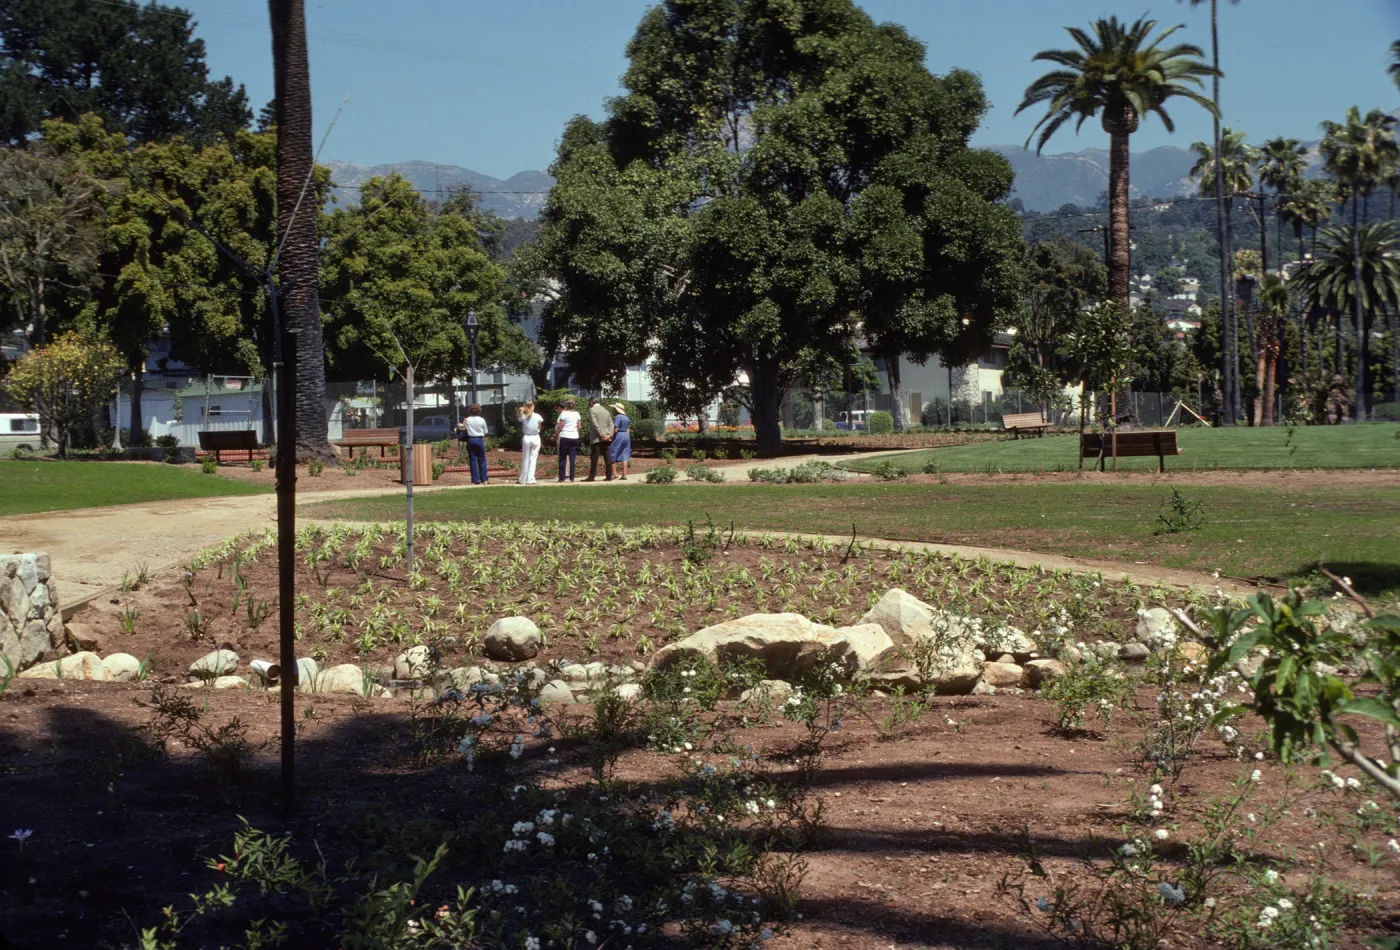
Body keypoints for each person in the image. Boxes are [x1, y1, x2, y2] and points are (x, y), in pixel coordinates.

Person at [586, 396, 615, 481]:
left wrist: (602, 435)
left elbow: (595, 425)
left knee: (595, 457)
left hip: (597, 438)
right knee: (607, 457)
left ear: (591, 402)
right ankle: (609, 476)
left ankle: (592, 476)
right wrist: (609, 435)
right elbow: (611, 424)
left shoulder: (592, 410)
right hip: (606, 437)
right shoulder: (606, 411)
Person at [458, 404, 489, 484]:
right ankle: (484, 479)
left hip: (470, 439)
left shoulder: (467, 419)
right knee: (482, 459)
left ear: (470, 411)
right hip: (479, 439)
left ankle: (475, 480)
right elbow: (485, 431)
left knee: (473, 460)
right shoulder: (482, 420)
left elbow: (461, 427)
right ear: (479, 411)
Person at [554, 397, 582, 482]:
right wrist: (575, 431)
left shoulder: (564, 414)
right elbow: (579, 426)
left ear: (566, 406)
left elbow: (560, 426)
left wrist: (555, 435)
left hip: (565, 436)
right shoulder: (577, 414)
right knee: (572, 458)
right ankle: (572, 477)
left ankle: (562, 477)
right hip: (574, 436)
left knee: (563, 457)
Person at [517, 400, 543, 484]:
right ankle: (530, 478)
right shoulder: (538, 416)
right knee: (533, 458)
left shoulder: (523, 415)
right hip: (535, 437)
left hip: (527, 437)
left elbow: (517, 418)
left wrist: (519, 410)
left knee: (525, 458)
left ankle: (523, 479)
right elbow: (539, 427)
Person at [608, 402, 632, 480]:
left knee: (612, 452)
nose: (613, 410)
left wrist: (610, 436)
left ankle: (614, 473)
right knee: (624, 453)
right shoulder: (626, 417)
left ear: (617, 410)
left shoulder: (618, 417)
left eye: (614, 409)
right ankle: (624, 474)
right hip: (626, 435)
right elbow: (628, 429)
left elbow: (616, 428)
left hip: (619, 435)